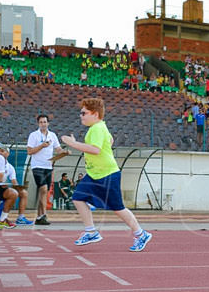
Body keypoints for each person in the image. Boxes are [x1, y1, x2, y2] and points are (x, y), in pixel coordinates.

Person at [61, 97, 152, 252]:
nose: (81, 115)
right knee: (77, 198)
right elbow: (110, 141)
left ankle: (141, 234)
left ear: (95, 114)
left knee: (118, 208)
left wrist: (73, 143)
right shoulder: (100, 127)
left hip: (107, 174)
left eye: (84, 113)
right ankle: (91, 232)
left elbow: (96, 149)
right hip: (94, 174)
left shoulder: (97, 128)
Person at [26, 114, 69, 225]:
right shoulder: (33, 135)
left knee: (43, 192)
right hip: (37, 166)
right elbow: (29, 151)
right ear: (38, 124)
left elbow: (58, 149)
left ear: (48, 123)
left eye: (45, 122)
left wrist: (64, 152)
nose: (43, 124)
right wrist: (41, 146)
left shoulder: (52, 135)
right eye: (41, 122)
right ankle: (44, 214)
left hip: (48, 166)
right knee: (44, 189)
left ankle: (40, 216)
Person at [0, 147, 33, 225]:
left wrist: (18, 187)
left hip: (4, 188)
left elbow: (14, 182)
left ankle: (21, 217)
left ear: (8, 154)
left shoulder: (10, 167)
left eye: (2, 151)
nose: (0, 153)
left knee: (23, 192)